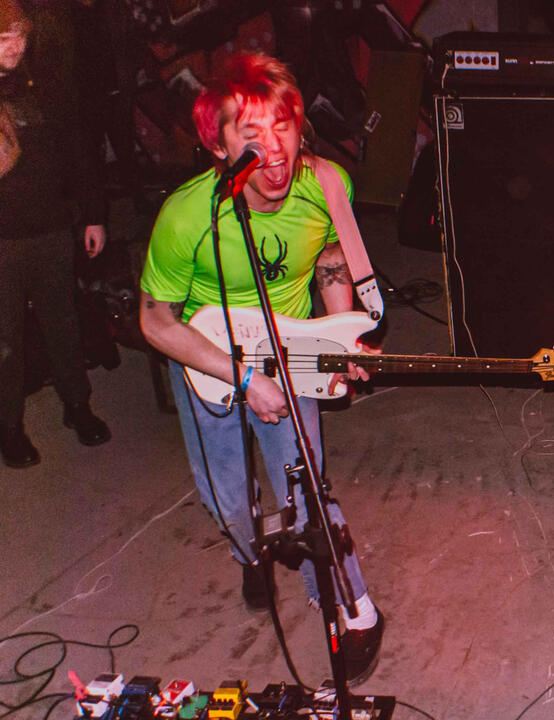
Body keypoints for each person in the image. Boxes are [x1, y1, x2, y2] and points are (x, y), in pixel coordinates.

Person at [138, 51, 384, 682]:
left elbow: (330, 255)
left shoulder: (326, 184)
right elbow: (155, 321)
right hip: (208, 359)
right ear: (218, 146)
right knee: (227, 501)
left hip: (290, 351)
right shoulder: (187, 216)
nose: (274, 149)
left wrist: (340, 334)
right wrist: (243, 379)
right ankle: (251, 554)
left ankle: (355, 610)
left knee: (306, 492)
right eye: (252, 134)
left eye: (284, 126)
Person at [0, 0, 111, 469]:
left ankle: (77, 405)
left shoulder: (44, 83)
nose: (15, 47)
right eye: (4, 39)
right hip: (2, 240)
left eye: (20, 37)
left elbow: (77, 150)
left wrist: (93, 214)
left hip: (51, 227)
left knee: (63, 322)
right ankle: (9, 428)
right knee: (5, 340)